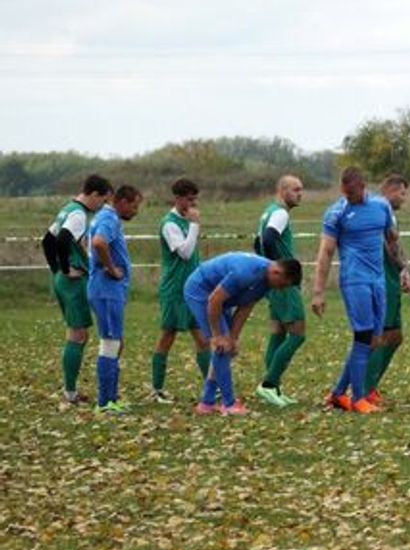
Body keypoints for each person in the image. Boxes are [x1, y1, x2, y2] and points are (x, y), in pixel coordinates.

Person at [311, 167, 399, 414]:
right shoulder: (336, 213)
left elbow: (391, 237)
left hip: (378, 280)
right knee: (363, 336)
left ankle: (338, 394)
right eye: (345, 193)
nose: (348, 197)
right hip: (354, 280)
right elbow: (326, 251)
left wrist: (403, 268)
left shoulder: (381, 206)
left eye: (352, 193)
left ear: (363, 186)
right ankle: (358, 397)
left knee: (374, 340)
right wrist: (318, 291)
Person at [185, 253, 303, 415]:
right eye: (282, 285)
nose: (280, 289)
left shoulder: (267, 281)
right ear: (277, 273)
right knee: (221, 347)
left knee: (226, 346)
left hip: (220, 299)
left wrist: (233, 338)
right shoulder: (245, 272)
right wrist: (217, 335)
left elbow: (246, 306)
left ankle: (207, 403)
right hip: (201, 291)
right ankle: (229, 404)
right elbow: (214, 300)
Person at [43, 173, 113, 408]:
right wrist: (65, 269)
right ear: (93, 194)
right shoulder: (79, 214)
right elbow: (62, 239)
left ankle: (71, 391)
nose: (101, 206)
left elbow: (47, 240)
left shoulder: (67, 209)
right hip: (72, 283)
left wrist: (56, 270)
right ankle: (70, 394)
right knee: (78, 334)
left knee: (78, 334)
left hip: (64, 281)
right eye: (102, 200)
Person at [150, 178, 208, 403]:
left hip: (194, 288)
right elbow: (184, 252)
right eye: (189, 200)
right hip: (175, 288)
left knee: (202, 337)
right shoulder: (170, 224)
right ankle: (157, 389)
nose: (193, 204)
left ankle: (212, 387)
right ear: (178, 198)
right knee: (168, 336)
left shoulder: (186, 221)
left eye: (195, 199)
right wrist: (194, 226)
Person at [365, 175, 410, 407]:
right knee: (380, 336)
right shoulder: (379, 212)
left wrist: (405, 271)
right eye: (402, 193)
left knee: (395, 336)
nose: (404, 199)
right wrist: (402, 268)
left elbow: (395, 244)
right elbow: (390, 246)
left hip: (391, 280)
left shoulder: (388, 213)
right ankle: (364, 389)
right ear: (390, 190)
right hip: (382, 281)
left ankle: (371, 385)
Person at [87, 185, 143, 414]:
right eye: (134, 206)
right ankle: (104, 402)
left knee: (116, 342)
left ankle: (112, 397)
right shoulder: (109, 218)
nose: (135, 211)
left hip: (108, 291)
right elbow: (99, 242)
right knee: (110, 343)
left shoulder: (106, 217)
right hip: (106, 290)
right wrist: (111, 269)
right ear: (122, 202)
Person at [255, 175, 306, 407]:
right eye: (295, 189)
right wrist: (281, 269)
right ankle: (268, 384)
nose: (300, 194)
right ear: (282, 190)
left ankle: (274, 389)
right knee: (297, 334)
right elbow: (268, 238)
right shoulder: (281, 213)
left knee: (277, 334)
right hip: (284, 283)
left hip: (272, 283)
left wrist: (268, 269)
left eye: (301, 189)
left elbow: (257, 242)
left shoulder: (268, 212)